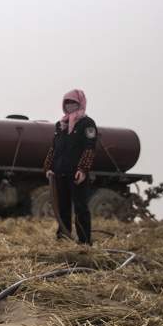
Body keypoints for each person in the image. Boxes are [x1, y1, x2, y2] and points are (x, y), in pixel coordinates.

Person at [43, 89, 97, 244]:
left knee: (80, 208)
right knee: (62, 207)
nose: (69, 106)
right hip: (60, 173)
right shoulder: (60, 125)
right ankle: (63, 238)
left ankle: (84, 241)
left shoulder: (87, 123)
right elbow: (54, 148)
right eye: (67, 103)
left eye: (73, 103)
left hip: (76, 174)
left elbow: (90, 147)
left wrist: (83, 169)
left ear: (80, 103)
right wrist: (48, 168)